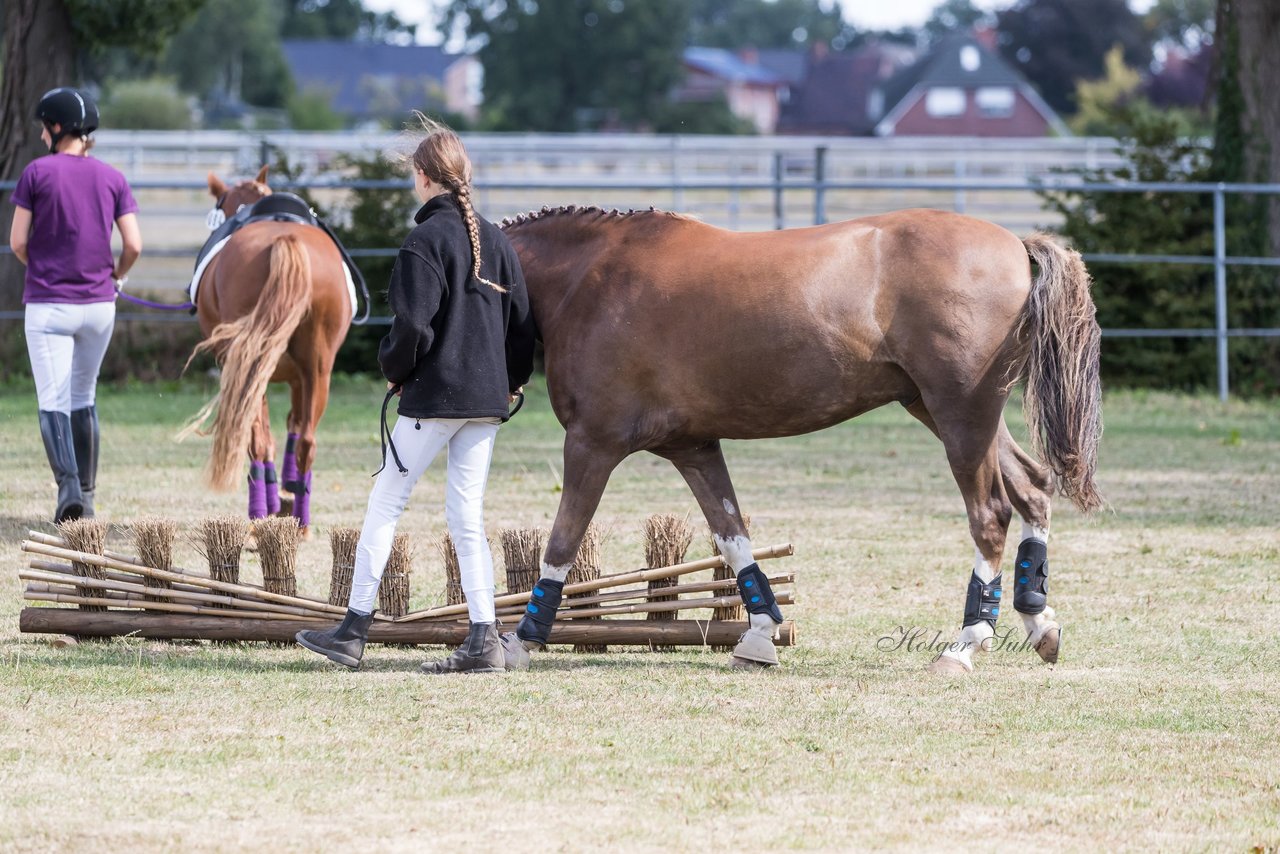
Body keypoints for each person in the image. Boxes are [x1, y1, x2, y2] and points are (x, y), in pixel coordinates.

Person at [296, 116, 537, 674]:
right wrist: (512, 379)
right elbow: (523, 326)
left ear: (426, 177)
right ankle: (483, 639)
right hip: (486, 402)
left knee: (386, 502)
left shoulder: (424, 241)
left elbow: (413, 329)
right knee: (466, 517)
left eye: (412, 174)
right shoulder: (497, 241)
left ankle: (354, 629)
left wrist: (394, 368)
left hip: (435, 398)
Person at [10, 87, 142, 523]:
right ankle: (85, 497)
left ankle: (66, 485)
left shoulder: (36, 173)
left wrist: (43, 265)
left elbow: (18, 242)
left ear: (55, 127)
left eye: (43, 127)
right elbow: (135, 245)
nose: (41, 136)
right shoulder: (113, 177)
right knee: (84, 396)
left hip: (49, 305)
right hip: (100, 307)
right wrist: (117, 276)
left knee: (54, 399)